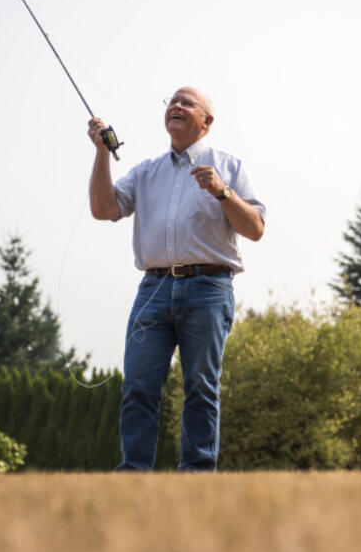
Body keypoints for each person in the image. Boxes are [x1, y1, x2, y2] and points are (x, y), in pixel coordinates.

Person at [87, 87, 265, 472]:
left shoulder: (229, 166)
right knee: (138, 389)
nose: (176, 106)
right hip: (152, 290)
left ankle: (196, 478)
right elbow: (103, 209)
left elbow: (255, 229)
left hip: (209, 289)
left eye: (187, 102)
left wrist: (223, 192)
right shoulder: (147, 172)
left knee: (201, 388)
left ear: (207, 121)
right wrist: (102, 153)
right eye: (172, 102)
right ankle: (133, 476)